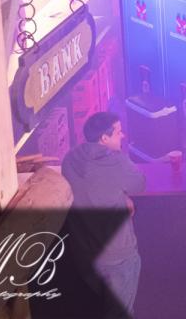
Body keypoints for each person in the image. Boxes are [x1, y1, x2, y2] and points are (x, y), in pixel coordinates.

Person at [62, 111, 147, 317]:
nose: (123, 135)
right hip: (117, 255)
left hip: (85, 251)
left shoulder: (70, 159)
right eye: (118, 132)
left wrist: (121, 196)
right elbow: (139, 184)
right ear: (104, 138)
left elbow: (94, 188)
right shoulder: (117, 162)